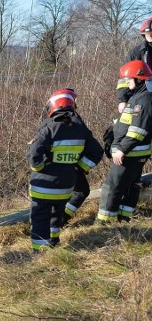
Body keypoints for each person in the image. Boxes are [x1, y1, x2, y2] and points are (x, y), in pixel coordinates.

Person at [28, 89, 103, 249]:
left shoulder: (48, 128)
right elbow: (96, 151)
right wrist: (79, 168)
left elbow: (34, 156)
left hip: (44, 187)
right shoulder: (80, 128)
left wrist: (40, 167)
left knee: (40, 218)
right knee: (56, 215)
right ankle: (54, 242)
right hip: (66, 187)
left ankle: (40, 252)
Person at [98, 60, 152, 223]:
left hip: (130, 152)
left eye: (129, 80)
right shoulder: (138, 97)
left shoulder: (144, 100)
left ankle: (104, 223)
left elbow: (138, 130)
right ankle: (123, 218)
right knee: (130, 185)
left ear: (139, 79)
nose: (127, 82)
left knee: (112, 186)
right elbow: (131, 122)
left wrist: (122, 149)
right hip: (134, 151)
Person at [120, 18, 152, 113]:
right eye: (148, 33)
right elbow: (125, 77)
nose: (150, 35)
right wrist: (123, 100)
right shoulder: (136, 53)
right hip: (141, 97)